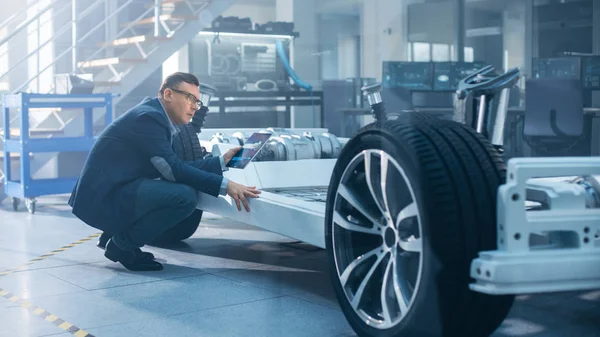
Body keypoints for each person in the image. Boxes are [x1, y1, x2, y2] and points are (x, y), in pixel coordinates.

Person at [68, 72, 260, 271]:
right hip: (104, 196)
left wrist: (221, 161)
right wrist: (226, 186)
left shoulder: (155, 115)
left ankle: (121, 239)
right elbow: (174, 171)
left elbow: (174, 166)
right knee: (184, 197)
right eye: (190, 99)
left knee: (179, 189)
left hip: (117, 187)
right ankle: (120, 246)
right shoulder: (150, 118)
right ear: (168, 94)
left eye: (198, 102)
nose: (195, 106)